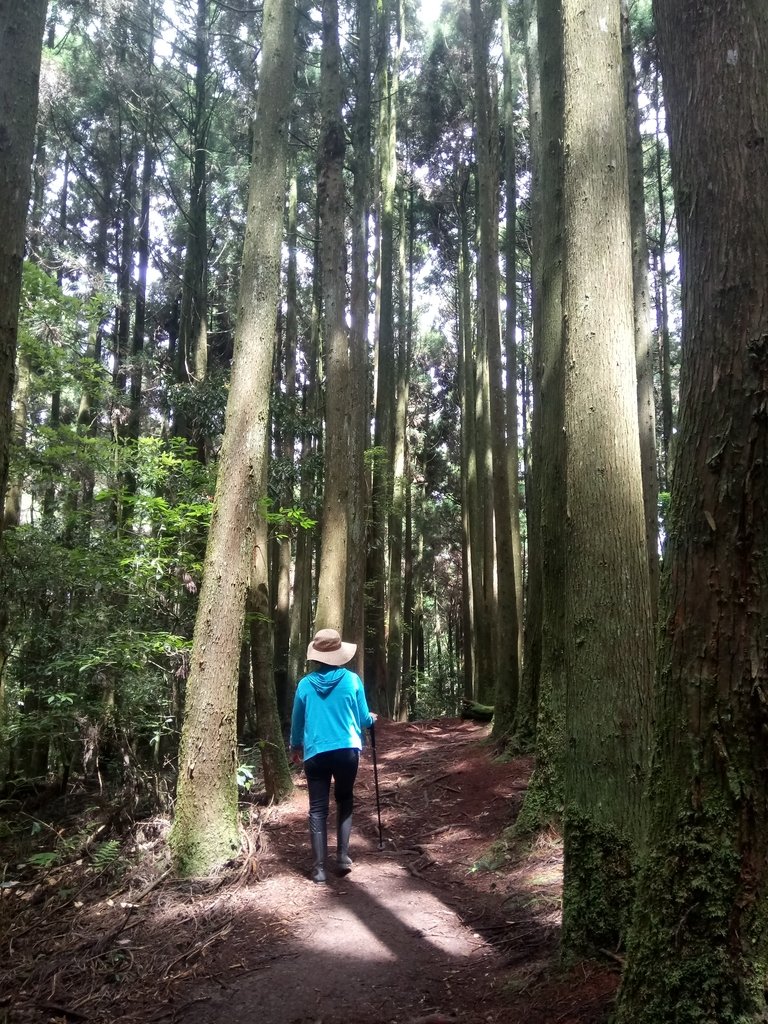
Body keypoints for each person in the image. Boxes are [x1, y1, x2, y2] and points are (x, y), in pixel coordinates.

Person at [290, 628, 377, 883]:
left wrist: (296, 746)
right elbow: (363, 719)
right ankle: (342, 857)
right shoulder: (352, 680)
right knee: (344, 799)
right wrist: (371, 719)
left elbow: (297, 722)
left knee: (317, 808)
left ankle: (318, 868)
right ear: (339, 654)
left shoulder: (305, 685)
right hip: (347, 750)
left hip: (316, 752)